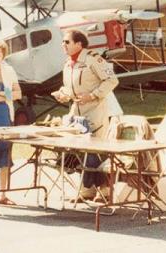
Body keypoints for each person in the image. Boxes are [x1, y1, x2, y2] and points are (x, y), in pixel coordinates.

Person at [51, 30, 119, 202]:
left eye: (67, 42)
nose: (63, 45)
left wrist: (94, 95)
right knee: (77, 150)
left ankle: (103, 190)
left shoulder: (93, 59)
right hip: (76, 111)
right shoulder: (68, 64)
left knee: (95, 150)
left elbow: (112, 80)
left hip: (95, 110)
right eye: (63, 42)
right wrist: (62, 94)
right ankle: (87, 188)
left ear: (79, 44)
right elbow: (71, 87)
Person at [0, 39, 22, 206]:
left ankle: (3, 194)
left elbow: (19, 93)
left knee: (5, 156)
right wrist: (6, 93)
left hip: (6, 116)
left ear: (3, 53)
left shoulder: (9, 70)